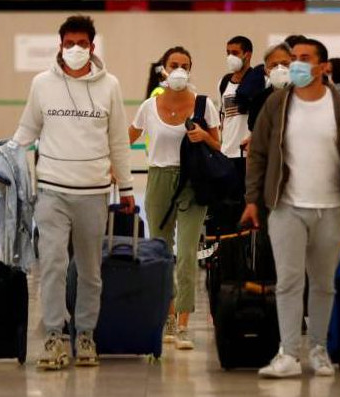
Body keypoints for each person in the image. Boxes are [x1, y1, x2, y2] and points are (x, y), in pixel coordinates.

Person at [241, 37, 340, 379]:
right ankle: (287, 353)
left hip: (331, 209)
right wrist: (252, 199)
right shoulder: (277, 103)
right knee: (288, 282)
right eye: (293, 58)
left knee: (323, 283)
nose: (296, 64)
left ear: (323, 66)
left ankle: (318, 349)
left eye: (304, 58)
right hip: (286, 206)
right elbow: (257, 153)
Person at [10, 15, 135, 370]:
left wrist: (125, 187)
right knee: (51, 264)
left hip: (94, 192)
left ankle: (85, 335)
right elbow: (26, 130)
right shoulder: (41, 84)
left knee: (90, 270)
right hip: (51, 190)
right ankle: (53, 336)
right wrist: (1, 164)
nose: (76, 49)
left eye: (82, 43)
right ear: (60, 45)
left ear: (93, 47)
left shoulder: (110, 85)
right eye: (69, 43)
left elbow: (118, 141)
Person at [129, 46, 221, 350]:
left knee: (187, 252)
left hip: (194, 181)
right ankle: (166, 317)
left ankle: (183, 323)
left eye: (185, 65)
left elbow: (218, 145)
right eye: (174, 64)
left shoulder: (203, 105)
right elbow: (124, 138)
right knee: (160, 249)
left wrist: (204, 137)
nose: (179, 69)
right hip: (158, 178)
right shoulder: (148, 106)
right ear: (164, 69)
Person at [219, 36, 256, 158]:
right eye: (228, 53)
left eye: (235, 53)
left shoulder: (259, 81)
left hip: (247, 153)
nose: (230, 57)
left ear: (247, 55)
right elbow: (223, 116)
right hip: (226, 153)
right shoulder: (223, 82)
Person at [247, 42, 293, 132]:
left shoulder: (304, 96)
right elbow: (255, 130)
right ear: (266, 70)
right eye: (274, 65)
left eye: (285, 64)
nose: (280, 68)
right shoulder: (259, 100)